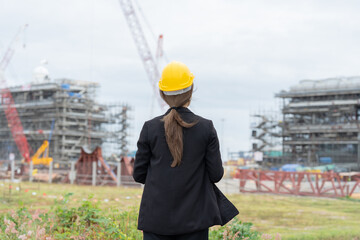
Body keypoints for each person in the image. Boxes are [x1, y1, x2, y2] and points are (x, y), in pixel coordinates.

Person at [133, 61, 239, 240]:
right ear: (190, 91)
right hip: (195, 221)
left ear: (162, 94)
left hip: (156, 220)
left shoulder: (150, 128)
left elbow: (138, 175)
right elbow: (216, 175)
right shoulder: (206, 127)